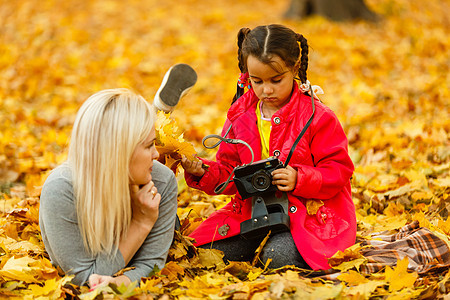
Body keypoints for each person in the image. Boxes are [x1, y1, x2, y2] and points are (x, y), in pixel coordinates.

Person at [181, 24, 356, 270]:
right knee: (205, 254)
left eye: (276, 80)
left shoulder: (318, 116)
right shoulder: (240, 116)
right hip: (251, 213)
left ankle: (278, 250)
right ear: (247, 74)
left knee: (277, 257)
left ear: (294, 68)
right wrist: (202, 170)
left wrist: (300, 178)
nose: (266, 90)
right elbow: (230, 173)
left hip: (306, 215)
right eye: (257, 81)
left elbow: (339, 170)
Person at [39, 88, 178, 288]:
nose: (156, 155)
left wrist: (118, 282)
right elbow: (82, 279)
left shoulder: (161, 181)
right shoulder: (61, 190)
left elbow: (152, 264)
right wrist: (140, 223)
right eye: (148, 146)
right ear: (120, 151)